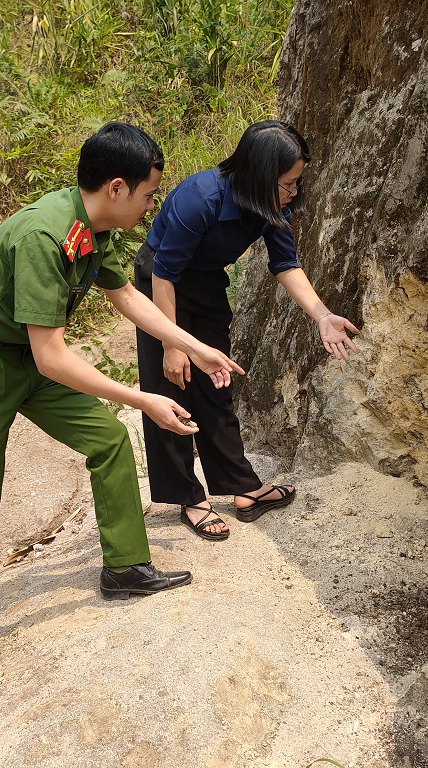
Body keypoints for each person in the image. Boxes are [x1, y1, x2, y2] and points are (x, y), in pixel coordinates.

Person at [0, 122, 244, 691]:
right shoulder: (43, 236)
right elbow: (52, 356)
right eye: (150, 194)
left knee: (107, 440)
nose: (153, 206)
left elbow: (124, 293)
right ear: (118, 187)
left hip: (25, 356)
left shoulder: (91, 225)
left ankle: (125, 568)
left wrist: (194, 348)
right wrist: (144, 397)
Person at [135, 120, 359, 541]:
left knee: (218, 382)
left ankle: (242, 488)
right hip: (160, 284)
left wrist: (322, 315)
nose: (294, 193)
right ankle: (190, 497)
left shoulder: (272, 204)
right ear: (259, 175)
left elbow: (285, 264)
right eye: (288, 184)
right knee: (171, 385)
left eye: (297, 183)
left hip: (204, 284)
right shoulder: (198, 198)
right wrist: (171, 343)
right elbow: (164, 273)